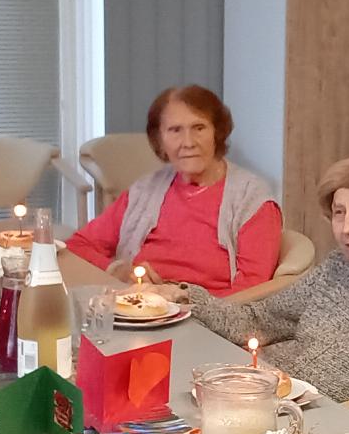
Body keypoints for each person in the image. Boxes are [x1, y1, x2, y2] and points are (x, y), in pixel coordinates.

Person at [175, 153, 349, 408]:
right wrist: (185, 298)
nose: (347, 228)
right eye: (339, 212)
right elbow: (261, 319)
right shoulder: (340, 264)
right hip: (265, 392)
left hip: (325, 423)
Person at [66, 84, 282, 295]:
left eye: (199, 128)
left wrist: (188, 305)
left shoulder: (251, 198)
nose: (188, 142)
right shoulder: (145, 190)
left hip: (211, 315)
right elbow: (79, 245)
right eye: (175, 130)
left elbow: (253, 289)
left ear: (217, 133)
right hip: (141, 307)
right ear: (160, 140)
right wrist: (118, 271)